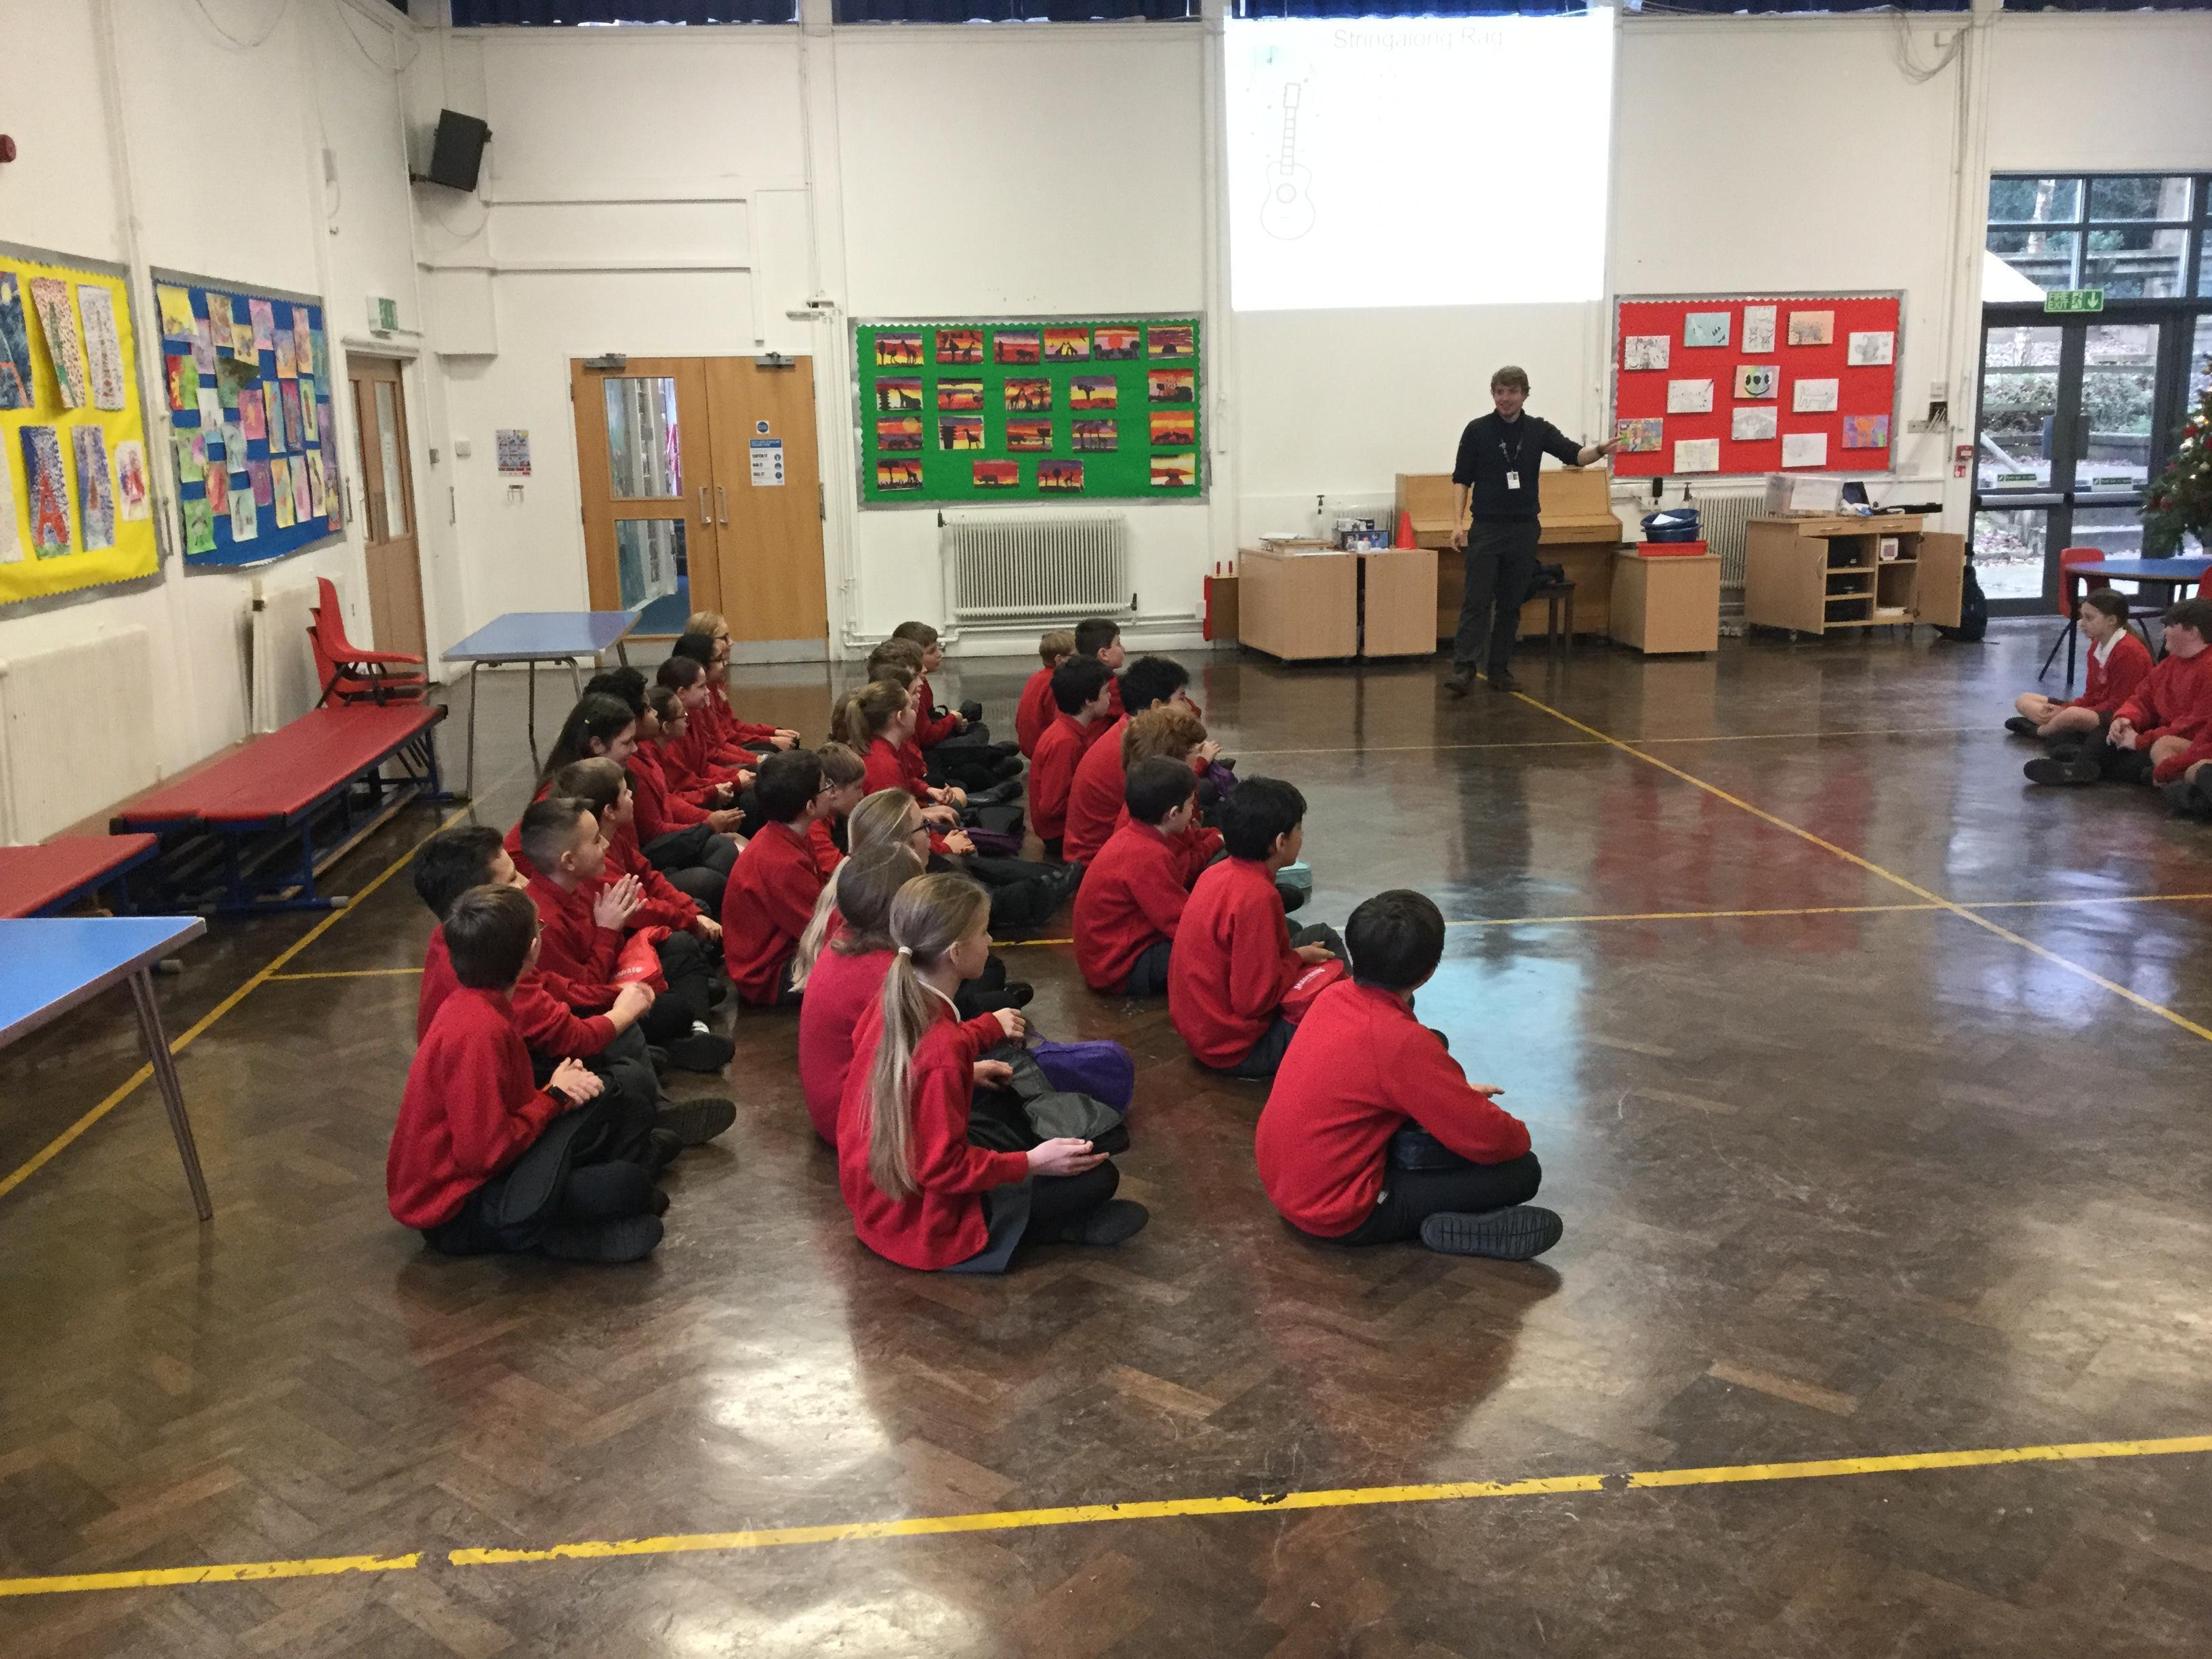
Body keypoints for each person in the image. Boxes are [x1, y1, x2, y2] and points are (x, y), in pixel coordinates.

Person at [837, 873, 1148, 1273]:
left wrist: (975, 1050)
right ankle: (1049, 1228)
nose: (989, 941)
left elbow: (917, 1070)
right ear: (954, 952)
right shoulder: (942, 1051)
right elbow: (942, 1169)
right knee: (1098, 1179)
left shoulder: (895, 1000)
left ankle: (1042, 1214)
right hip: (919, 1224)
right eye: (983, 933)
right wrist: (1030, 1163)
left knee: (1005, 1104)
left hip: (881, 1197)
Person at [1255, 890, 1561, 1260]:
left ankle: (1439, 1215)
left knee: (1432, 1050)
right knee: (1521, 1172)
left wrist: (1449, 1094)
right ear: (1429, 971)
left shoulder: (1332, 997)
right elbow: (1499, 1141)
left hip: (1285, 1184)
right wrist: (1468, 1104)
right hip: (1339, 1212)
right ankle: (1440, 1225)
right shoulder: (1400, 1043)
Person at [386, 885, 665, 1264]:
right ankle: (546, 1237)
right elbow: (484, 1155)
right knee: (626, 1185)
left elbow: (505, 1113)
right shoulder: (479, 1031)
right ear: (533, 949)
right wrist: (553, 1097)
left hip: (496, 1165)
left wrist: (552, 1094)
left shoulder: (478, 1005)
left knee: (624, 1099)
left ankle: (587, 1208)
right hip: (460, 1207)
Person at [411, 827, 734, 1153]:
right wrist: (621, 1005)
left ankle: (656, 1063)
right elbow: (570, 1027)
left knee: (650, 1009)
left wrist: (619, 994)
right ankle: (651, 1109)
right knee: (626, 1042)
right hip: (519, 1079)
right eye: (511, 881)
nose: (525, 884)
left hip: (529, 1047)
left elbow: (558, 987)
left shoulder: (473, 940)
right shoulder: (500, 953)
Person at [518, 797, 733, 1072]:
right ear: (569, 861)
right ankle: (675, 1040)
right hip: (594, 1003)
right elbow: (585, 993)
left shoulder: (578, 885)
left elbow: (619, 945)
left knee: (680, 946)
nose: (605, 845)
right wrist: (608, 932)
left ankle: (693, 1032)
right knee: (674, 1008)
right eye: (595, 841)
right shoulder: (543, 923)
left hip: (612, 977)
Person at [1444, 365, 1616, 697]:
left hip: (1523, 529)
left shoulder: (1538, 430)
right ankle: (1464, 668)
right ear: (1493, 394)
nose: (1505, 398)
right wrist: (1457, 524)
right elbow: (1461, 479)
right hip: (1487, 528)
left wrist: (1599, 451)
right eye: (1499, 392)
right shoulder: (1477, 430)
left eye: (1512, 392)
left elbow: (1575, 455)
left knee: (1511, 603)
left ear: (1524, 394)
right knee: (1476, 600)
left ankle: (1499, 669)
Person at [1168, 777, 1343, 1081]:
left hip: (1203, 1031)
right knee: (1339, 995)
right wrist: (1295, 959)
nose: (1302, 837)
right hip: (1240, 1049)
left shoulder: (1218, 873)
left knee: (1321, 936)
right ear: (1280, 842)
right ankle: (1370, 1029)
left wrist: (1296, 956)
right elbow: (1253, 1002)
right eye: (1299, 830)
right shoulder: (1257, 897)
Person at [2025, 598, 2212, 807]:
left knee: (2135, 762)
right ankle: (2087, 760)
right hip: (2160, 732)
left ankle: (2084, 762)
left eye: (2170, 626)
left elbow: (2192, 728)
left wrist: (2140, 740)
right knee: (2105, 728)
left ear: (2192, 632)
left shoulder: (2207, 669)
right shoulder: (2172, 662)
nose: (2164, 631)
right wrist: (2125, 719)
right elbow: (2141, 698)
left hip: (2182, 741)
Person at [795, 844, 924, 1143]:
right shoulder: (887, 972)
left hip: (834, 1110)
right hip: (857, 1123)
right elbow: (922, 1059)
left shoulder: (844, 939)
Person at [550, 758, 725, 951]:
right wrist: (691, 921)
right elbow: (641, 908)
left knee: (698, 907)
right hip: (625, 936)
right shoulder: (592, 862)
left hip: (639, 913)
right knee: (684, 935)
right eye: (626, 792)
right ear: (609, 811)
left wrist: (691, 911)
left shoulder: (613, 837)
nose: (632, 795)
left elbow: (647, 876)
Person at [1063, 655, 1219, 867]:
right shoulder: (1142, 746)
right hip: (1101, 858)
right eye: (1182, 698)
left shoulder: (1133, 732)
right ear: (1157, 706)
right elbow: (1168, 821)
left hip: (1107, 849)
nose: (1190, 706)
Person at [1073, 756, 1202, 996]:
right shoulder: (1149, 855)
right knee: (1213, 954)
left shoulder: (1133, 837)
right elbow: (1180, 923)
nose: (1193, 810)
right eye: (1191, 804)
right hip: (1121, 967)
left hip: (1105, 956)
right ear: (1174, 813)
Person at [721, 750, 832, 1005]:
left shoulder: (785, 835)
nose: (831, 791)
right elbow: (819, 928)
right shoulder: (781, 862)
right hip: (769, 974)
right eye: (826, 786)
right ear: (810, 806)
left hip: (784, 952)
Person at [2007, 590, 2152, 744]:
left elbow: (2120, 704)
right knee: (2024, 699)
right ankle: (2058, 726)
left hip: (2121, 716)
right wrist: (2065, 708)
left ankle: (2040, 731)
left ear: (2111, 620)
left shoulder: (2130, 652)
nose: (2081, 623)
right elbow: (2091, 695)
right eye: (2082, 616)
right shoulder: (2096, 645)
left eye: (2089, 618)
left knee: (2074, 716)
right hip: (2097, 709)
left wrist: (2069, 711)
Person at [889, 619, 1021, 790]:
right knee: (970, 756)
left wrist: (954, 719)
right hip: (927, 753)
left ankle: (987, 757)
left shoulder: (921, 684)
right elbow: (926, 738)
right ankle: (989, 758)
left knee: (978, 729)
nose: (939, 654)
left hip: (928, 750)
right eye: (932, 651)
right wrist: (952, 719)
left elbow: (929, 720)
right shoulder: (910, 694)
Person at [1031, 655, 1116, 857]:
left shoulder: (1067, 731)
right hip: (1058, 834)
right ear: (1089, 701)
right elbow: (1051, 807)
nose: (1110, 697)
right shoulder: (1066, 742)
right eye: (1106, 692)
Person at [808, 741, 867, 878]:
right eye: (858, 787)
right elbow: (844, 873)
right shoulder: (813, 827)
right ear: (833, 791)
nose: (862, 796)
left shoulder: (837, 816)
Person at [1017, 628, 1075, 758]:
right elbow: (1060, 722)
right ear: (1059, 659)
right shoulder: (1058, 683)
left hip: (1030, 745)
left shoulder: (1036, 677)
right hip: (1046, 748)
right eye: (1075, 656)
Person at [1073, 617, 1128, 718]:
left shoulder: (1075, 676)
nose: (1123, 649)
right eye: (1118, 644)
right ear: (1103, 654)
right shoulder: (1109, 686)